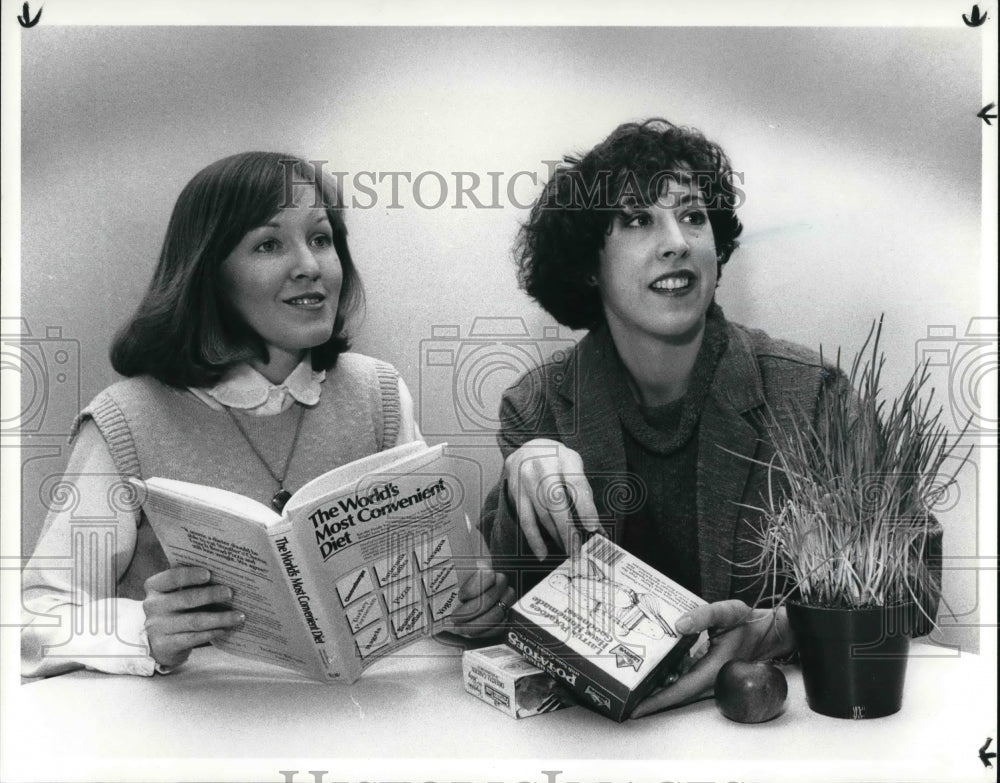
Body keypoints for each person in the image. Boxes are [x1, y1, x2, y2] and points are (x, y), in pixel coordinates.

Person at [460, 118, 884, 717]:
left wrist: (784, 627)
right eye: (637, 220)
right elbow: (506, 611)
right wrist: (518, 481)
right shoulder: (538, 408)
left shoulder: (813, 396)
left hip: (777, 740)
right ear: (589, 265)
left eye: (692, 215)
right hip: (601, 751)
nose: (677, 241)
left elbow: (912, 582)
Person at [21, 152, 422, 678]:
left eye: (321, 238)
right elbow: (35, 618)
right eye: (268, 244)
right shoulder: (125, 420)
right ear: (209, 275)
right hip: (188, 733)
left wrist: (470, 605)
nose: (310, 266)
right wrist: (143, 631)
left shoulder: (381, 393)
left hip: (356, 719)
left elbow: (426, 580)